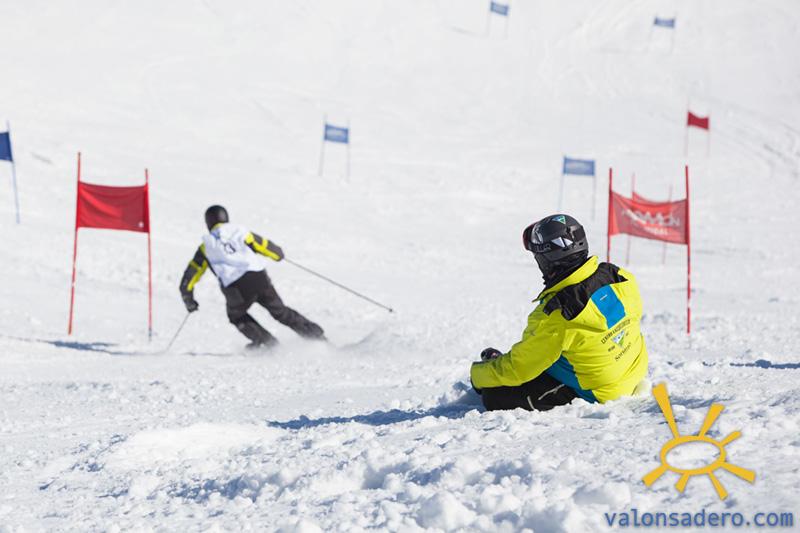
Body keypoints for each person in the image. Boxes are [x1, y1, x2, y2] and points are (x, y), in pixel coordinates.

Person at [470, 214, 648, 411]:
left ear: (546, 260)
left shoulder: (557, 313)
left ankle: (493, 368)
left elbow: (519, 368)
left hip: (602, 391)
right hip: (634, 370)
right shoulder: (619, 276)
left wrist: (477, 376)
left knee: (495, 396)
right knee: (560, 347)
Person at [179, 205, 324, 348]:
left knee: (236, 315)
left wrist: (189, 300)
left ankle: (268, 344)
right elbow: (265, 245)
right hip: (259, 279)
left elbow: (189, 278)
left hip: (236, 289)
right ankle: (316, 337)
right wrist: (278, 254)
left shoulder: (205, 246)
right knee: (280, 311)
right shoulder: (240, 231)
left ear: (208, 223)